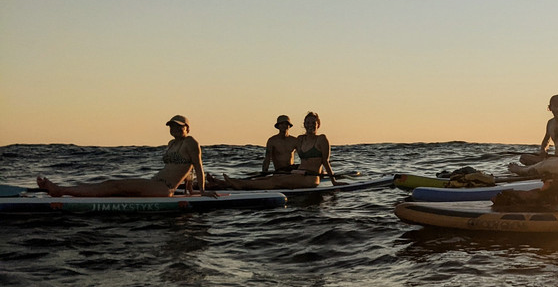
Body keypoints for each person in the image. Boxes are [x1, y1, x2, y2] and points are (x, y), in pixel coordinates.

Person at [37, 115, 209, 197]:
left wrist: (202, 191)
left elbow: (198, 166)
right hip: (154, 183)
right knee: (109, 185)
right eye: (172, 126)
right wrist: (189, 189)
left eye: (179, 126)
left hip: (163, 188)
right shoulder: (172, 144)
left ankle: (60, 190)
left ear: (187, 128)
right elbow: (187, 169)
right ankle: (64, 189)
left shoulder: (191, 142)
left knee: (115, 185)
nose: (175, 129)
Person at [222, 111, 337, 190]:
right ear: (304, 125)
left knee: (275, 182)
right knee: (271, 178)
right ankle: (225, 184)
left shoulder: (322, 139)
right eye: (307, 123)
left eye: (313, 123)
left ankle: (239, 185)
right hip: (297, 174)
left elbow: (325, 162)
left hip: (310, 179)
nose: (310, 125)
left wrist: (334, 182)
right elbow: (272, 155)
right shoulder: (300, 139)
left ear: (318, 125)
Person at [518, 95, 558, 166]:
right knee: (524, 158)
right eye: (555, 106)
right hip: (556, 158)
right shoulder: (550, 123)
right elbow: (546, 140)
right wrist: (543, 150)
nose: (557, 109)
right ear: (550, 108)